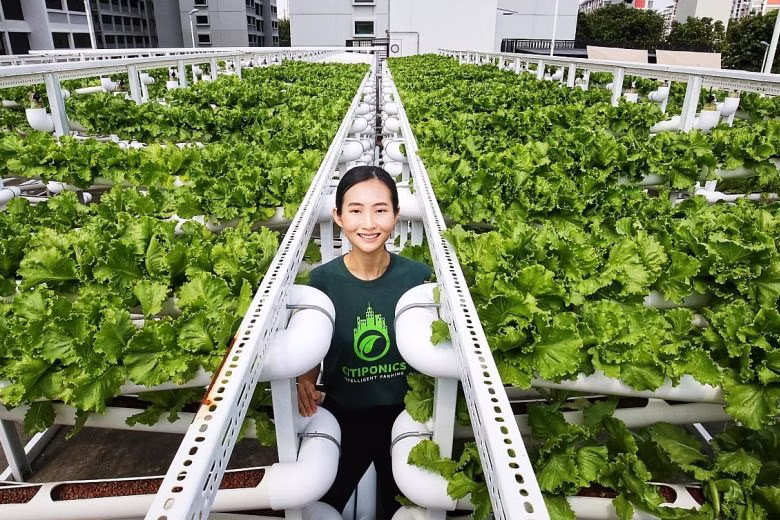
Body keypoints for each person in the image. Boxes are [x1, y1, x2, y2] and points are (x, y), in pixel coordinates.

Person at [297, 165, 431, 519]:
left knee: (399, 503)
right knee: (322, 498)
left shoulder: (418, 278)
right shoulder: (322, 282)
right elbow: (312, 340)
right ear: (338, 216)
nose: (368, 223)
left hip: (404, 412)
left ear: (397, 215)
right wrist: (305, 379)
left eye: (380, 210)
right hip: (345, 410)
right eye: (355, 210)